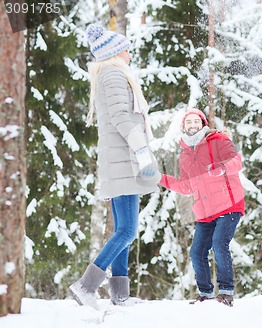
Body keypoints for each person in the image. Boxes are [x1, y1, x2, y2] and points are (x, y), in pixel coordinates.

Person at [68, 24, 161, 309]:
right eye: (126, 47)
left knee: (124, 228)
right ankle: (85, 286)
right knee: (128, 231)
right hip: (124, 159)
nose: (130, 52)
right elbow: (122, 116)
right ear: (113, 52)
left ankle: (119, 295)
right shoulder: (112, 74)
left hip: (121, 161)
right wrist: (141, 147)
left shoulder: (113, 74)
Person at [158, 108, 245, 307]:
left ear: (203, 124)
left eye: (196, 121)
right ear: (184, 127)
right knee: (197, 252)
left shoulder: (219, 140)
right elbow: (187, 186)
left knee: (219, 244)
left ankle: (225, 292)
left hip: (229, 204)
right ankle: (206, 294)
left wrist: (222, 167)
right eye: (188, 122)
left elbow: (236, 161)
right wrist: (161, 179)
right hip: (205, 212)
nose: (192, 125)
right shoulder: (185, 156)